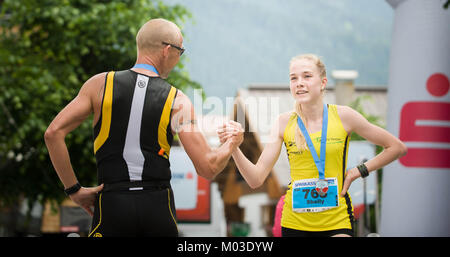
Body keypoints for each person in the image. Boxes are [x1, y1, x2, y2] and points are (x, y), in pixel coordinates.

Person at [44, 18, 243, 237]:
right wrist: (232, 142)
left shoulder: (100, 85)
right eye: (181, 51)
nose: (178, 58)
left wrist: (74, 190)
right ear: (167, 50)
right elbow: (208, 168)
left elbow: (53, 133)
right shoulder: (177, 100)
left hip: (112, 202)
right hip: (157, 206)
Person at [218, 54, 407, 237]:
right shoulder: (283, 123)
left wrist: (358, 171)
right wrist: (233, 147)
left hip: (337, 220)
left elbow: (396, 147)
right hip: (294, 223)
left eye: (307, 76)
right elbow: (255, 179)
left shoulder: (344, 116)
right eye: (294, 78)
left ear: (323, 82)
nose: (299, 82)